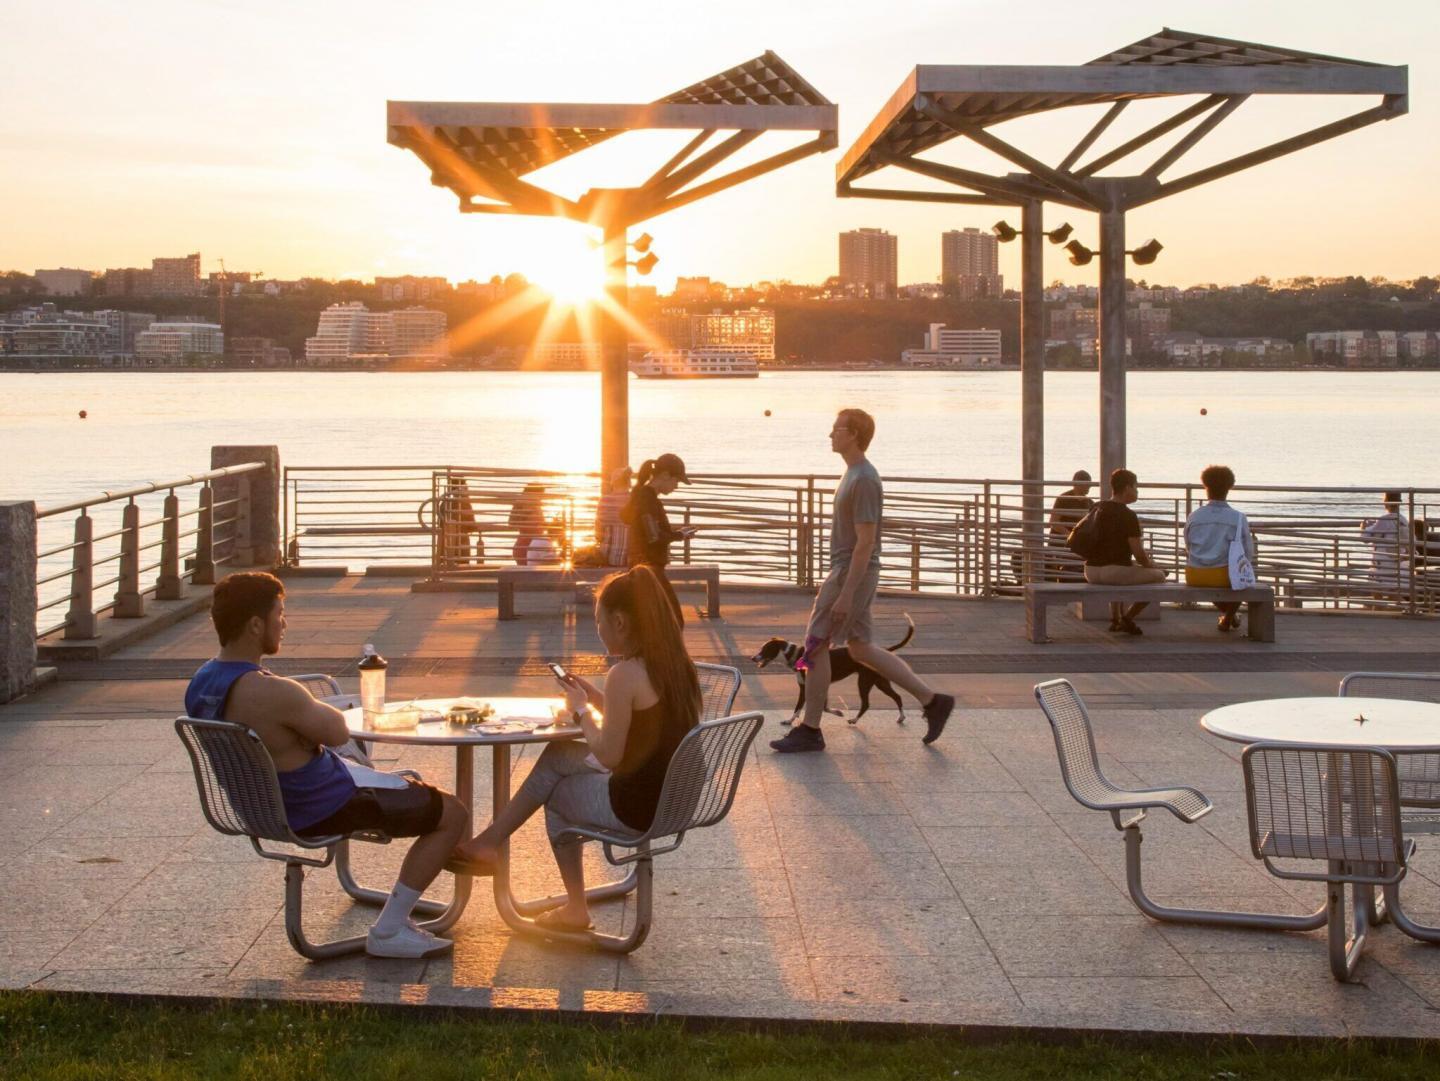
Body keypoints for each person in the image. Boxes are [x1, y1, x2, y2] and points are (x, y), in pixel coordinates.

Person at [184, 572, 469, 959]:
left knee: (414, 793)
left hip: (264, 807)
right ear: (255, 625)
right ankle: (389, 931)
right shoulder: (273, 691)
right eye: (279, 614)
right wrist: (305, 729)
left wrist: (298, 733)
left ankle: (456, 854)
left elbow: (282, 732)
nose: (284, 624)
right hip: (322, 807)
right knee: (451, 812)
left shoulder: (201, 682)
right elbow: (336, 732)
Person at [448, 566, 701, 931]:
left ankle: (573, 906)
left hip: (639, 808)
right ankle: (489, 842)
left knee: (557, 793)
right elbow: (645, 729)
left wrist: (582, 709)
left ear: (619, 622)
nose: (596, 630)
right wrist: (596, 700)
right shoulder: (677, 665)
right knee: (557, 756)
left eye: (598, 622)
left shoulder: (625, 673)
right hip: (680, 798)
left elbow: (609, 756)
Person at [770, 409, 954, 753]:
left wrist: (846, 594)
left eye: (836, 429)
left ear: (853, 434)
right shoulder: (854, 474)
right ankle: (933, 701)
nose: (830, 435)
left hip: (849, 574)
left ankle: (810, 728)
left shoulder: (865, 479)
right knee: (860, 648)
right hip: (851, 572)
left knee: (814, 645)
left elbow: (866, 542)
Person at [1084, 468, 1167, 635]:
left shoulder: (1096, 507)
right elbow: (1139, 555)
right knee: (1159, 577)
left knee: (1126, 567)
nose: (1137, 492)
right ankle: (1127, 618)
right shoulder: (1128, 515)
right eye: (1136, 487)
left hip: (1090, 571)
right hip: (1113, 572)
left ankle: (1115, 619)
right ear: (1127, 488)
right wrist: (1153, 566)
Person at [622, 453, 696, 626]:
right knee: (674, 621)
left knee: (650, 622)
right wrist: (680, 535)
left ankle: (650, 652)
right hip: (649, 569)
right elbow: (653, 537)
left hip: (641, 568)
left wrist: (677, 533)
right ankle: (661, 652)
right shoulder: (647, 499)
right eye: (676, 481)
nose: (676, 486)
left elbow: (645, 528)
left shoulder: (641, 495)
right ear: (664, 476)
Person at [1183, 464, 1256, 632]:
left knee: (1221, 574)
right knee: (1239, 574)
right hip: (1223, 576)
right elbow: (1247, 553)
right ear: (1230, 487)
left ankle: (1228, 617)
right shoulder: (1238, 517)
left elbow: (1188, 545)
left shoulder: (1194, 516)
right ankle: (1228, 617)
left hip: (1194, 574)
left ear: (1205, 486)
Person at [1047, 469, 1094, 581]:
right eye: (1086, 484)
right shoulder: (1064, 498)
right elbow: (1054, 522)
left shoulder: (1090, 503)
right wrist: (1070, 535)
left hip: (1077, 545)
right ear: (1076, 484)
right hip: (1060, 543)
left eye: (1090, 484)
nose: (1089, 487)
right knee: (1058, 573)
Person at [1361, 491, 1410, 596]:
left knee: (1377, 593)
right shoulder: (1403, 519)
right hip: (1396, 562)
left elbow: (1365, 538)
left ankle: (1378, 611)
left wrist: (1362, 527)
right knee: (1394, 593)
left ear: (1387, 502)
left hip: (1382, 564)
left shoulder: (1384, 519)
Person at [595, 466, 633, 566]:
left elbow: (598, 536)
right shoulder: (635, 500)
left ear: (613, 483)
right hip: (630, 560)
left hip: (607, 558)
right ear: (629, 482)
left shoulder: (603, 501)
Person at [509, 483, 547, 565]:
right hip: (526, 546)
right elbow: (512, 523)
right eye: (541, 495)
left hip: (526, 545)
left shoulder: (535, 506)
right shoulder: (527, 505)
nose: (542, 498)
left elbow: (511, 523)